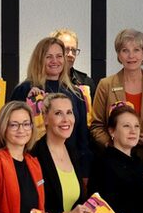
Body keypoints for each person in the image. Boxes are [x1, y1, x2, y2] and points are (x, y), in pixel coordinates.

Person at [91, 29, 143, 169]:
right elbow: (96, 126)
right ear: (118, 55)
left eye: (136, 50)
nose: (131, 56)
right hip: (115, 163)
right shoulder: (105, 85)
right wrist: (112, 146)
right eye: (125, 50)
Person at [8, 37, 91, 168]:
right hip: (33, 164)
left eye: (59, 56)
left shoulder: (76, 94)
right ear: (39, 59)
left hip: (69, 165)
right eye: (49, 57)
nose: (55, 61)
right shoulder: (24, 90)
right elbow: (10, 132)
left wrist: (85, 170)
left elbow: (83, 138)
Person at [51, 28, 95, 95]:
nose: (70, 55)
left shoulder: (86, 82)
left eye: (74, 50)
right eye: (66, 49)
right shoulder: (39, 81)